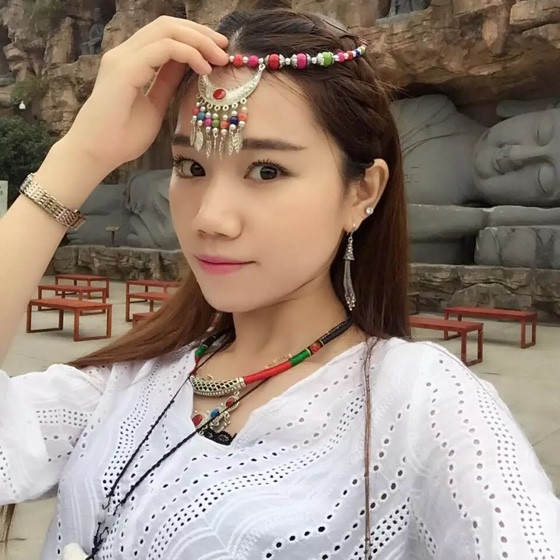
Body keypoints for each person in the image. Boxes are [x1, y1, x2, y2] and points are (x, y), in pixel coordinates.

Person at [0, 3, 559, 559]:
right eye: (191, 167)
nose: (210, 218)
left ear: (362, 191)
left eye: (267, 170)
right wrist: (78, 156)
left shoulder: (421, 406)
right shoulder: (131, 382)